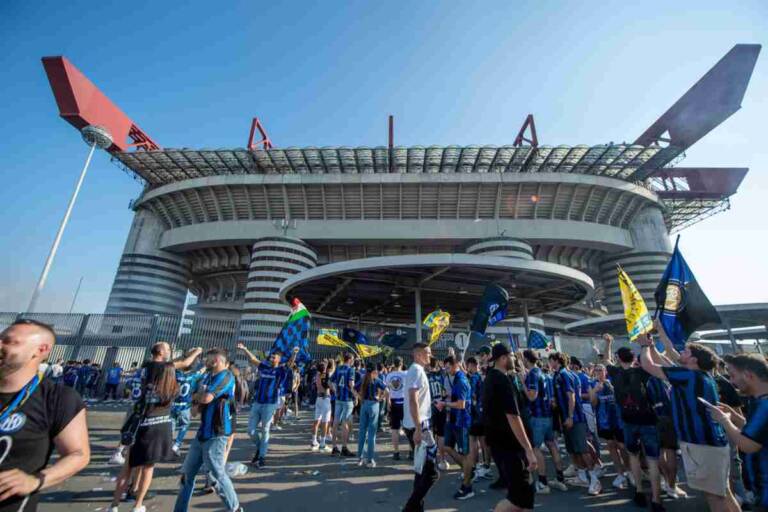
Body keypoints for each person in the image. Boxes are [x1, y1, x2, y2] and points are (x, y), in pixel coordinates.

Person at [639, 328, 738, 512]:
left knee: (715, 496)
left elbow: (649, 366)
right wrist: (652, 345)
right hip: (710, 443)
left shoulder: (689, 376)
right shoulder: (697, 375)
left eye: (685, 352)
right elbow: (664, 362)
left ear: (694, 360)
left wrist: (644, 345)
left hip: (702, 444)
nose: (680, 353)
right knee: (723, 493)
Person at [0, 320, 89, 512]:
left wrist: (35, 481)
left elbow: (78, 454)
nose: (0, 344)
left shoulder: (58, 399)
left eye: (9, 341)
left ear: (41, 350)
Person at [174, 349, 242, 512]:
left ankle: (235, 508)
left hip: (217, 434)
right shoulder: (207, 377)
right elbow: (195, 410)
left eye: (209, 359)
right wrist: (197, 398)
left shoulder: (225, 376)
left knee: (217, 476)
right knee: (187, 475)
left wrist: (197, 396)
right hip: (202, 434)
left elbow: (205, 398)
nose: (206, 361)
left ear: (217, 360)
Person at [110, 361, 179, 512]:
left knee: (127, 468)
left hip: (141, 425)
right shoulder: (172, 389)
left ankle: (114, 505)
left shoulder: (146, 386)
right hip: (159, 428)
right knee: (148, 468)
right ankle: (138, 504)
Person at [603, 334, 662, 509]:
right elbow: (650, 362)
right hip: (648, 419)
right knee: (652, 460)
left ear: (618, 359)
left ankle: (639, 491)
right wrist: (646, 346)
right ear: (633, 358)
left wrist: (608, 342)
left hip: (628, 420)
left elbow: (606, 359)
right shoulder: (643, 371)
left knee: (634, 456)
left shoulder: (615, 373)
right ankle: (657, 499)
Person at [708, 354, 768, 512]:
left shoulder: (765, 405)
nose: (731, 381)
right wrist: (735, 417)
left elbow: (748, 445)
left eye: (733, 375)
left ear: (749, 375)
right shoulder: (759, 400)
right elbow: (759, 432)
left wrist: (724, 421)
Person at [483, 343, 537, 512]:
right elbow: (513, 417)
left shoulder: (493, 377)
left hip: (504, 446)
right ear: (503, 358)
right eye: (512, 356)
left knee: (525, 497)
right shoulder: (501, 380)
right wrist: (528, 449)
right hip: (510, 447)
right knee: (518, 500)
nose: (515, 359)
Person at [548, 351, 601, 495]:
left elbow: (571, 396)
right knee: (573, 450)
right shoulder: (561, 375)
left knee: (582, 450)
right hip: (566, 419)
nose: (549, 363)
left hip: (575, 419)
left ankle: (595, 480)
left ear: (556, 361)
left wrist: (570, 416)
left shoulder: (564, 375)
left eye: (550, 360)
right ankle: (583, 477)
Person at [237, 343, 298, 467]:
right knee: (250, 430)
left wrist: (294, 354)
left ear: (279, 359)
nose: (271, 358)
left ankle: (262, 457)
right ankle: (260, 448)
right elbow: (253, 360)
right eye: (271, 356)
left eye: (274, 357)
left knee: (265, 430)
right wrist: (245, 349)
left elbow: (290, 364)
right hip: (258, 402)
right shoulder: (264, 366)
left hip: (270, 404)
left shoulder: (281, 370)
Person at [521, 349, 567, 493]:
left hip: (538, 417)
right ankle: (560, 479)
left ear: (527, 359)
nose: (521, 361)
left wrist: (523, 383)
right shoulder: (544, 374)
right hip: (548, 416)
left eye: (523, 358)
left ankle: (543, 482)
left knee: (536, 448)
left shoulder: (533, 374)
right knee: (552, 445)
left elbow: (532, 396)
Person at [402, 343, 437, 512]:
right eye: (427, 353)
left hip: (419, 424)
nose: (430, 356)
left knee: (421, 470)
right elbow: (412, 399)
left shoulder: (416, 370)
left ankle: (417, 508)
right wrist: (418, 428)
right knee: (431, 473)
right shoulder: (416, 370)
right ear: (418, 355)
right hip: (420, 426)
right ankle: (410, 507)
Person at [436, 356, 474, 500]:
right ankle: (468, 469)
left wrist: (444, 404)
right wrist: (445, 399)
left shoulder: (461, 380)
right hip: (453, 419)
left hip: (462, 421)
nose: (446, 370)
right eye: (445, 368)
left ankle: (467, 486)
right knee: (447, 447)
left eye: (447, 367)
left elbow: (461, 404)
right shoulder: (455, 379)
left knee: (465, 454)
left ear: (455, 365)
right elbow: (455, 398)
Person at [589, 364, 630, 491]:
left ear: (606, 371)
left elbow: (622, 398)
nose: (598, 372)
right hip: (604, 421)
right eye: (596, 370)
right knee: (611, 446)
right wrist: (595, 391)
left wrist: (612, 388)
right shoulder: (592, 384)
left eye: (601, 370)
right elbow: (593, 403)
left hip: (618, 420)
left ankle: (629, 470)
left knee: (622, 446)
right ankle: (620, 474)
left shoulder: (613, 381)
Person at [356, 363, 388, 467]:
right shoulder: (377, 380)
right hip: (374, 405)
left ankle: (359, 458)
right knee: (371, 434)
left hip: (364, 404)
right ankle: (369, 459)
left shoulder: (363, 379)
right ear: (374, 371)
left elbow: (352, 388)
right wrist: (381, 398)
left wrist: (359, 397)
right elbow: (387, 390)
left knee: (362, 432)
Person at [171, 367, 205, 456]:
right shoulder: (192, 376)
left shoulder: (174, 375)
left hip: (173, 405)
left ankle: (169, 443)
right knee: (184, 425)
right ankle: (177, 444)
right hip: (185, 406)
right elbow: (201, 371)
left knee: (172, 424)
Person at [330, 353, 357, 457]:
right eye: (353, 359)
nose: (353, 361)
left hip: (339, 398)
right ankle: (344, 448)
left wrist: (336, 390)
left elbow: (330, 381)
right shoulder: (351, 369)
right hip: (347, 399)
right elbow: (351, 385)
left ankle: (334, 447)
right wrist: (356, 396)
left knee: (336, 422)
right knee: (345, 422)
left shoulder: (338, 368)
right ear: (349, 359)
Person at [426, 357, 449, 470]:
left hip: (431, 406)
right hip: (442, 405)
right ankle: (443, 459)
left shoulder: (426, 376)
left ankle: (432, 459)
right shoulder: (442, 374)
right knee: (441, 434)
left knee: (431, 435)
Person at [385, 357, 407, 460]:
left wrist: (387, 401)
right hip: (403, 402)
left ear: (394, 364)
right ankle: (411, 451)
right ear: (401, 364)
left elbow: (387, 390)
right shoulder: (405, 374)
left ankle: (396, 452)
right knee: (409, 427)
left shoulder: (389, 375)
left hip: (393, 402)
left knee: (394, 428)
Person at [311, 361, 333, 453]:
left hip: (319, 398)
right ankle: (323, 444)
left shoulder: (317, 376)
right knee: (325, 422)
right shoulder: (325, 375)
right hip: (325, 398)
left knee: (317, 421)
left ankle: (314, 441)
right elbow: (328, 384)